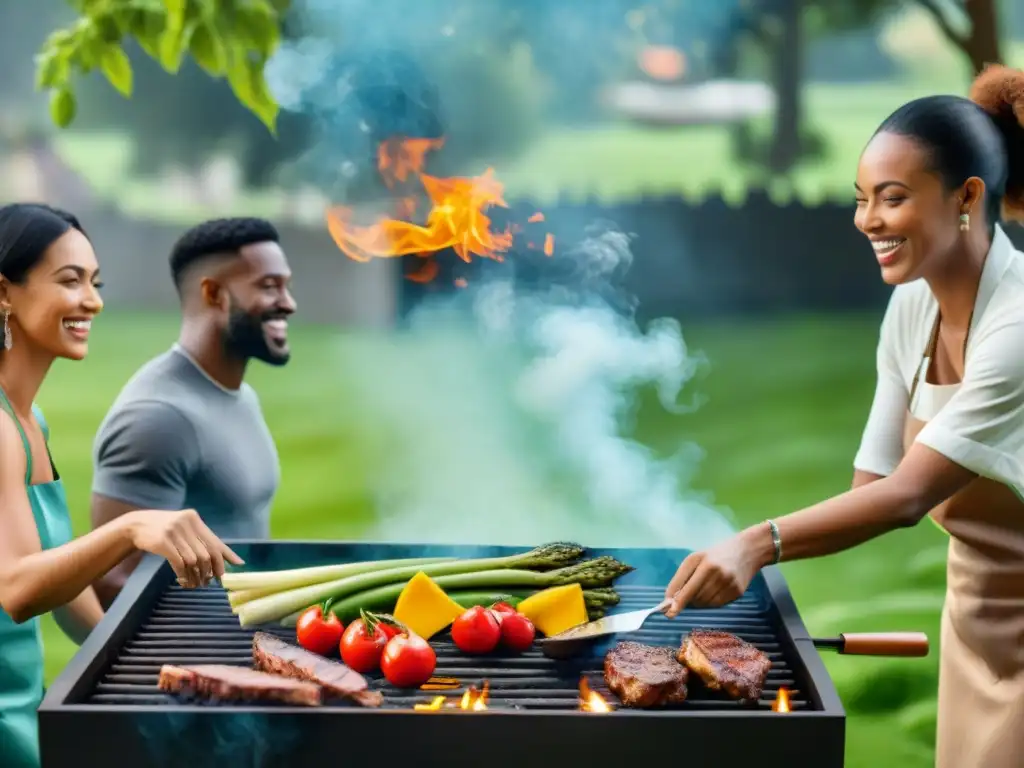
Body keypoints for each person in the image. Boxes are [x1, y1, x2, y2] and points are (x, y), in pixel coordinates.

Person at [663, 63, 1024, 767]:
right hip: (974, 621)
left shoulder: (1015, 331)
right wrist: (753, 561)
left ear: (967, 197)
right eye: (862, 198)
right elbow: (871, 487)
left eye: (891, 198)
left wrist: (754, 545)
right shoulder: (914, 304)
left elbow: (906, 499)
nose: (866, 221)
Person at [0, 203, 242, 768]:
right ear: (5, 293)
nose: (93, 300)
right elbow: (16, 589)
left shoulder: (30, 422)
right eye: (70, 280)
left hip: (18, 710)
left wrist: (154, 661)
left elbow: (56, 581)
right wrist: (133, 528)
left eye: (95, 282)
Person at [89, 217, 296, 609]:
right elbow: (114, 585)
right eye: (269, 287)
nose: (289, 302)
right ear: (215, 294)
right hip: (196, 658)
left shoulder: (241, 395)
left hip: (244, 641)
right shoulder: (158, 418)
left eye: (286, 286)